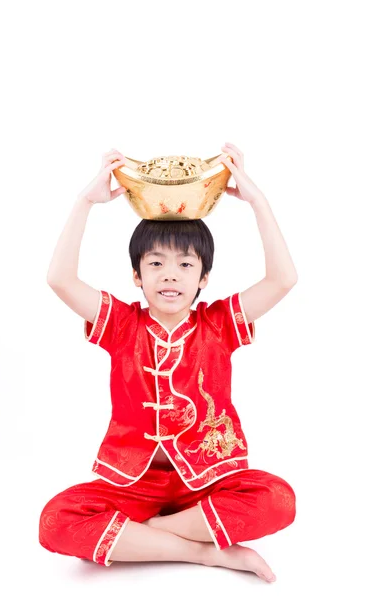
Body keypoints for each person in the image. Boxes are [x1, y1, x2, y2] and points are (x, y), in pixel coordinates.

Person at [39, 142, 298, 584]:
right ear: (137, 276)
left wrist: (257, 200)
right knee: (55, 520)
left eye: (184, 263)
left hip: (207, 481)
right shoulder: (121, 323)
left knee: (277, 499)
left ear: (203, 277)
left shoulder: (218, 324)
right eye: (155, 263)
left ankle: (143, 538)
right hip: (132, 483)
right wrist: (86, 201)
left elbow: (283, 279)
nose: (170, 274)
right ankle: (208, 554)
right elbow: (59, 279)